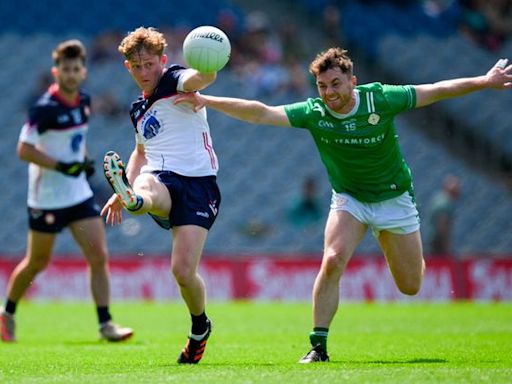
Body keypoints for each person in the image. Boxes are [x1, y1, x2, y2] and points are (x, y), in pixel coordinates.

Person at [173, 48, 512, 363]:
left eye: (336, 84)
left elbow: (436, 89)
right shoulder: (315, 112)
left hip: (395, 200)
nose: (329, 92)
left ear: (353, 81)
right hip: (349, 198)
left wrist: (485, 81)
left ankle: (410, 254)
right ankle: (318, 346)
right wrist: (205, 99)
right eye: (322, 86)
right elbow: (262, 113)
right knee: (333, 259)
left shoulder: (380, 99)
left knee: (410, 285)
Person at [100, 27, 221, 364]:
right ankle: (135, 199)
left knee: (182, 271)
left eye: (149, 64)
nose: (144, 72)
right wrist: (125, 185)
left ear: (162, 61)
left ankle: (200, 327)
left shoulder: (174, 79)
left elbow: (202, 78)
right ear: (128, 67)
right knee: (149, 187)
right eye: (136, 66)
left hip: (199, 184)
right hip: (161, 179)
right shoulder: (137, 109)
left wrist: (210, 62)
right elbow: (140, 153)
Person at [0, 40, 133, 343]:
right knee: (37, 262)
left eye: (76, 69)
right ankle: (7, 312)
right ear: (55, 71)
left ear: (83, 71)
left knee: (98, 255)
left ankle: (106, 324)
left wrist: (81, 162)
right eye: (66, 69)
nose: (71, 74)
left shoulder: (84, 102)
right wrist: (61, 166)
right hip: (46, 198)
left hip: (77, 193)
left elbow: (77, 138)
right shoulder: (44, 108)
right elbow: (24, 149)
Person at [427, 174, 461, 256]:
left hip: (434, 240)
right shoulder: (445, 202)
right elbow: (442, 224)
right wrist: (446, 247)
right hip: (438, 242)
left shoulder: (438, 198)